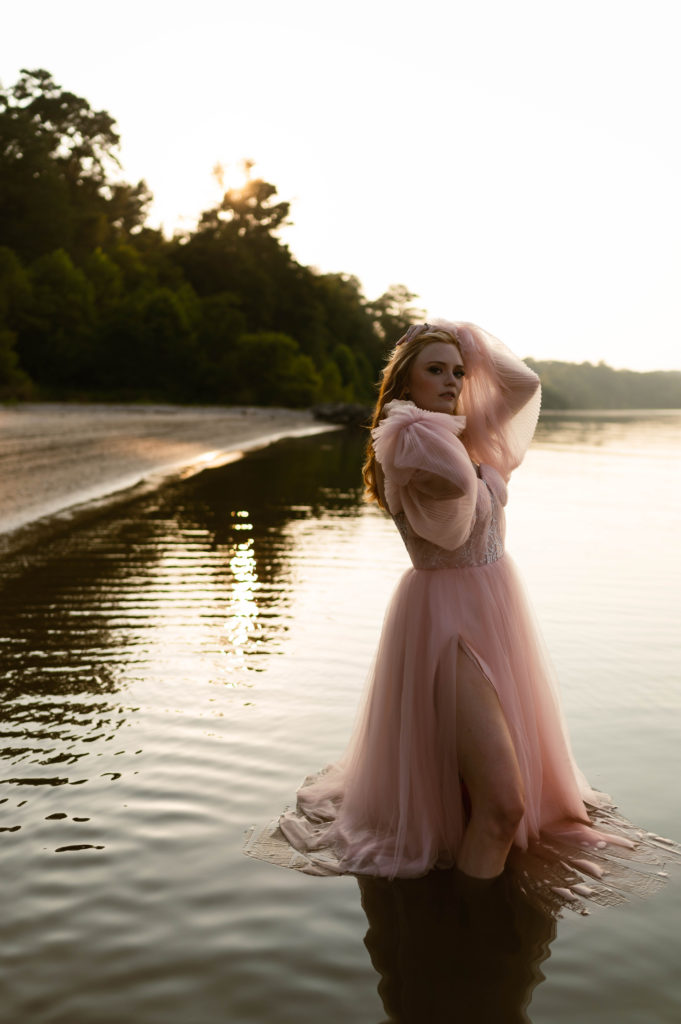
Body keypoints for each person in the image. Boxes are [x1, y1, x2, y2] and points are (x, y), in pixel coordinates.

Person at [247, 320, 678, 911]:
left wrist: (460, 338)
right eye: (435, 370)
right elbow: (452, 506)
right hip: (445, 624)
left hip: (495, 608)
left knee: (479, 799)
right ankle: (471, 942)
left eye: (458, 373)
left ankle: (464, 924)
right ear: (404, 380)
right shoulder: (412, 437)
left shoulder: (456, 434)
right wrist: (463, 442)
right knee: (502, 805)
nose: (452, 381)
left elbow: (524, 385)